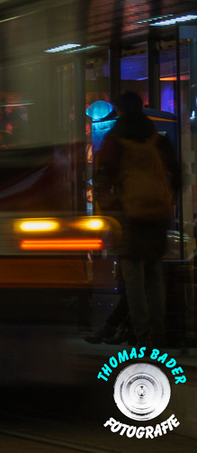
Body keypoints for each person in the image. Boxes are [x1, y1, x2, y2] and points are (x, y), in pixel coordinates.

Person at [96, 92, 180, 347]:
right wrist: (168, 202)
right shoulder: (156, 138)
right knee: (154, 273)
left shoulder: (115, 139)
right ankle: (158, 332)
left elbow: (103, 178)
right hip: (157, 215)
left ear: (119, 111)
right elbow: (176, 174)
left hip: (129, 215)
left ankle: (140, 334)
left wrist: (109, 211)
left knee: (132, 277)